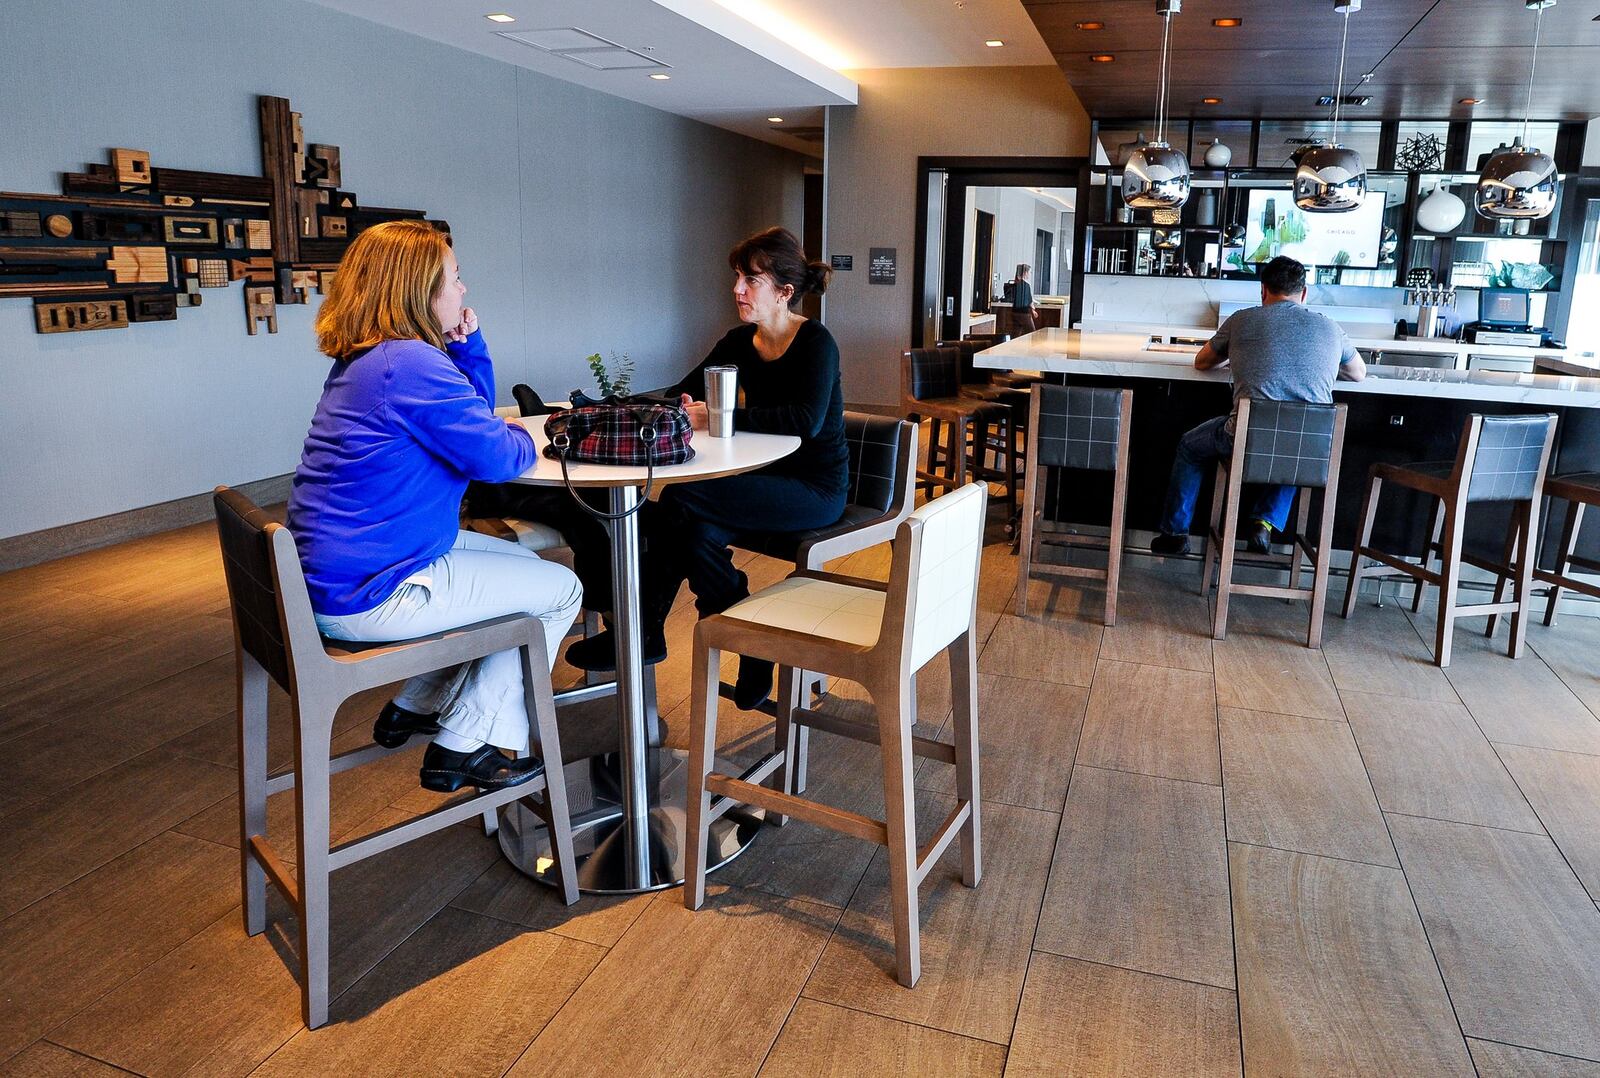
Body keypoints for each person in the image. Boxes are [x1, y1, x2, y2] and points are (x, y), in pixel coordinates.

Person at [286, 220, 583, 792]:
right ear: (419, 291)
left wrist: (467, 348)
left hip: (339, 571)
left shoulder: (372, 360)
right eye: (455, 278)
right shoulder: (408, 365)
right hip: (372, 588)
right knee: (560, 592)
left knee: (527, 569)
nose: (464, 290)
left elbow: (467, 415)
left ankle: (416, 703)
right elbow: (496, 456)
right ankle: (461, 745)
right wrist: (538, 435)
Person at [566, 226, 847, 711]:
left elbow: (805, 421)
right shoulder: (740, 342)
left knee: (674, 502)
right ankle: (748, 642)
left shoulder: (816, 343)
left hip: (813, 488)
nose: (737, 289)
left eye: (751, 280)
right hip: (757, 480)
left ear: (784, 291)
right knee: (693, 531)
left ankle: (644, 629)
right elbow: (682, 390)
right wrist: (610, 408)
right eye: (738, 277)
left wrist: (720, 416)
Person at [1150, 255, 1366, 557]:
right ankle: (1263, 522)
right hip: (1310, 448)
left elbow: (1202, 362)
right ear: (1304, 294)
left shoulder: (1242, 320)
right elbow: (1358, 373)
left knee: (1189, 446)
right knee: (1296, 446)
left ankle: (1175, 534)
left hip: (1245, 439)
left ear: (1262, 290)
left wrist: (1240, 355)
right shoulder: (1330, 328)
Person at [1011, 263, 1038, 333]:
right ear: (1025, 273)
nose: (1029, 274)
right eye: (1029, 272)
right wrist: (1033, 311)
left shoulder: (1014, 285)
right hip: (1024, 314)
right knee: (1032, 332)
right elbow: (1030, 301)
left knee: (1016, 335)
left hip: (1015, 313)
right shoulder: (1026, 286)